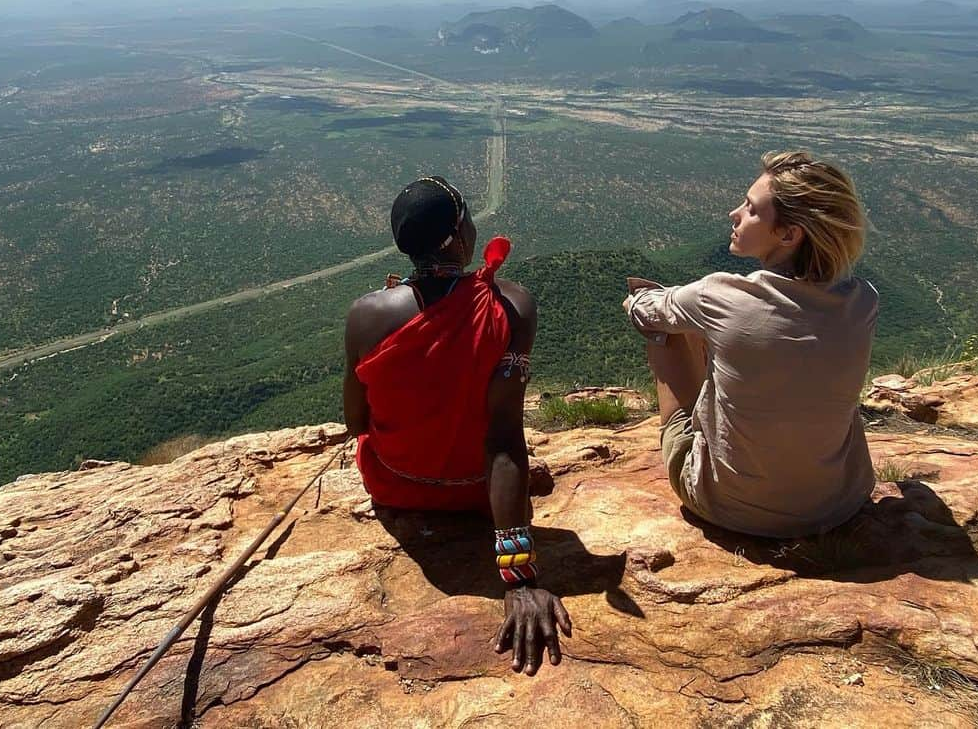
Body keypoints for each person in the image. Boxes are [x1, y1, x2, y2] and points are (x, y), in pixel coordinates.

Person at [343, 175, 571, 675]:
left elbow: (355, 420)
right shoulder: (512, 306)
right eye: (468, 217)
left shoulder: (365, 314)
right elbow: (506, 440)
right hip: (478, 495)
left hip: (394, 486)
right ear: (458, 238)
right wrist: (521, 579)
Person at [623, 151, 878, 538]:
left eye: (751, 209)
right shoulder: (863, 301)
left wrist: (642, 297)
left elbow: (645, 312)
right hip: (837, 503)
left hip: (726, 508)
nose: (734, 213)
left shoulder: (720, 296)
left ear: (790, 235)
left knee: (671, 328)